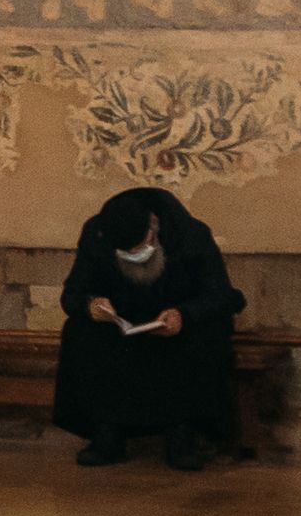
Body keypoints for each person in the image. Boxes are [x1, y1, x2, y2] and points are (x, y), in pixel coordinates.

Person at [51, 185, 245, 469]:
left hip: (177, 324)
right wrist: (90, 306)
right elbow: (72, 295)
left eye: (139, 247)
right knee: (80, 331)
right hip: (123, 326)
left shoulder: (191, 235)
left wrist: (184, 315)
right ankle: (107, 432)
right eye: (126, 252)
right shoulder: (97, 234)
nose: (135, 255)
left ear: (154, 224)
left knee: (207, 332)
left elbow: (222, 296)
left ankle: (183, 434)